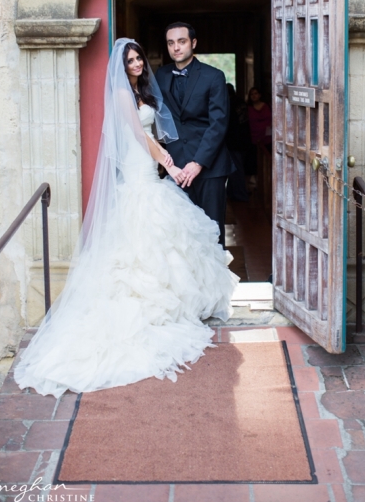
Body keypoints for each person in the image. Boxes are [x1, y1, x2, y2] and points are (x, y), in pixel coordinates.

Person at [14, 39, 239, 398]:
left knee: (165, 238)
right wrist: (168, 162)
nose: (136, 64)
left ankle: (178, 302)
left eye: (138, 58)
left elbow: (156, 127)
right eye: (130, 60)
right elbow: (139, 134)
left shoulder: (141, 89)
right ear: (120, 66)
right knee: (143, 234)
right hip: (140, 169)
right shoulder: (121, 95)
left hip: (148, 166)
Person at [155, 23, 235, 246]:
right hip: (176, 167)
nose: (176, 48)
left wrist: (198, 162)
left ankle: (217, 279)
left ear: (193, 43)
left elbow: (218, 124)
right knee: (181, 232)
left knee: (212, 229)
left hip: (210, 166)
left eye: (181, 41)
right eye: (171, 43)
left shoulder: (214, 76)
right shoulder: (160, 75)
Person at [225, 83, 249, 202]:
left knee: (235, 169)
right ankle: (232, 192)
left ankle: (239, 194)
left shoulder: (228, 104)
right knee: (237, 168)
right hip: (243, 140)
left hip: (233, 141)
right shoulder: (241, 102)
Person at [246, 86, 272, 183]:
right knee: (255, 163)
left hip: (268, 139)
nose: (254, 96)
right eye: (252, 94)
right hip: (254, 139)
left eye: (256, 93)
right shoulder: (248, 108)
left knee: (268, 161)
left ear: (260, 95)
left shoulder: (268, 106)